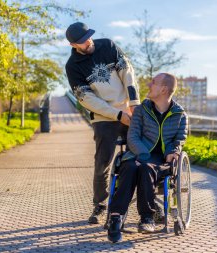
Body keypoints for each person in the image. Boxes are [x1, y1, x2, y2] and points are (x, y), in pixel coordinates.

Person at [65, 22, 140, 224]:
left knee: (143, 155)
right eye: (82, 41)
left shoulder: (107, 45)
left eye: (88, 36)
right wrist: (116, 115)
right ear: (73, 44)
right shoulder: (73, 66)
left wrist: (133, 103)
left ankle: (148, 202)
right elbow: (86, 99)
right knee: (102, 163)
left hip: (129, 109)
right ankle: (100, 204)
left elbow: (128, 73)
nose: (88, 42)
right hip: (103, 117)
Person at [107, 73, 188, 243]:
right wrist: (142, 155)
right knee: (129, 167)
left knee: (145, 168)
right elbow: (133, 136)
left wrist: (173, 150)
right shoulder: (142, 110)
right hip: (137, 154)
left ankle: (147, 218)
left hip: (161, 161)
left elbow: (180, 138)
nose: (149, 85)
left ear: (164, 89)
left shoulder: (180, 114)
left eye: (153, 82)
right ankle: (116, 217)